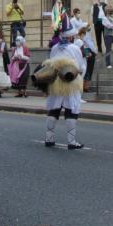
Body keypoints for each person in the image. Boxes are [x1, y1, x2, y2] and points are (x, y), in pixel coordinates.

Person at [43, 21, 86, 150]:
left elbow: (51, 64)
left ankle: (49, 139)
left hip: (57, 82)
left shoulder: (55, 48)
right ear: (71, 36)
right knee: (71, 110)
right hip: (71, 83)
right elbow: (79, 67)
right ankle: (71, 142)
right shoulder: (75, 48)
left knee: (54, 109)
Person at [79, 26, 97, 93]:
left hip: (85, 53)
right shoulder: (86, 36)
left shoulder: (81, 37)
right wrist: (95, 52)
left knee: (86, 70)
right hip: (88, 52)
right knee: (89, 70)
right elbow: (91, 45)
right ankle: (86, 87)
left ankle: (85, 86)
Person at [101, 5, 113, 69]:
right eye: (109, 9)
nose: (111, 10)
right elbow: (108, 25)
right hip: (108, 35)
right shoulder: (104, 18)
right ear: (106, 11)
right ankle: (108, 64)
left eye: (111, 9)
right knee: (108, 49)